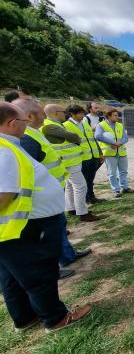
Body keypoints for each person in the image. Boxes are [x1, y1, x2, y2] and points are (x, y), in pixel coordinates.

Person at [0, 101, 92, 333]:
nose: (28, 123)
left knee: (13, 276)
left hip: (17, 226)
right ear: (12, 123)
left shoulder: (9, 146)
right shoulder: (5, 151)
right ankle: (56, 318)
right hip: (25, 225)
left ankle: (25, 317)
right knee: (39, 273)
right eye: (24, 120)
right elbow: (4, 193)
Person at [13, 99, 92, 274]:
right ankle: (53, 268)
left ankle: (67, 255)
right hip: (40, 200)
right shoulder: (27, 139)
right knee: (48, 235)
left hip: (51, 191)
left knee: (59, 227)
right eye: (41, 113)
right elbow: (27, 173)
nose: (44, 116)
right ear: (29, 115)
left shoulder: (34, 133)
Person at [42, 105, 99, 222]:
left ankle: (72, 208)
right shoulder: (49, 126)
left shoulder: (57, 125)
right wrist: (74, 138)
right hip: (69, 161)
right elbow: (72, 137)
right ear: (56, 113)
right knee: (80, 186)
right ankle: (83, 213)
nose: (65, 114)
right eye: (63, 111)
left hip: (69, 161)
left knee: (70, 186)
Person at [64, 105, 103, 204]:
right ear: (72, 114)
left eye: (83, 113)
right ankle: (85, 199)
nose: (82, 115)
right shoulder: (66, 126)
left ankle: (91, 196)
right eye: (80, 113)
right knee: (83, 181)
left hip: (92, 156)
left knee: (90, 179)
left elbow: (92, 138)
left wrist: (100, 152)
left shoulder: (85, 123)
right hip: (81, 157)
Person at [95, 108, 134, 198]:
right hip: (109, 153)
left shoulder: (120, 125)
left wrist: (119, 143)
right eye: (115, 115)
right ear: (109, 116)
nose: (118, 117)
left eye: (117, 115)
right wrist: (113, 143)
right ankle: (116, 190)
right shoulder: (101, 125)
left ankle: (124, 187)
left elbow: (125, 138)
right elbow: (98, 136)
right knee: (112, 173)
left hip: (121, 152)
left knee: (123, 171)